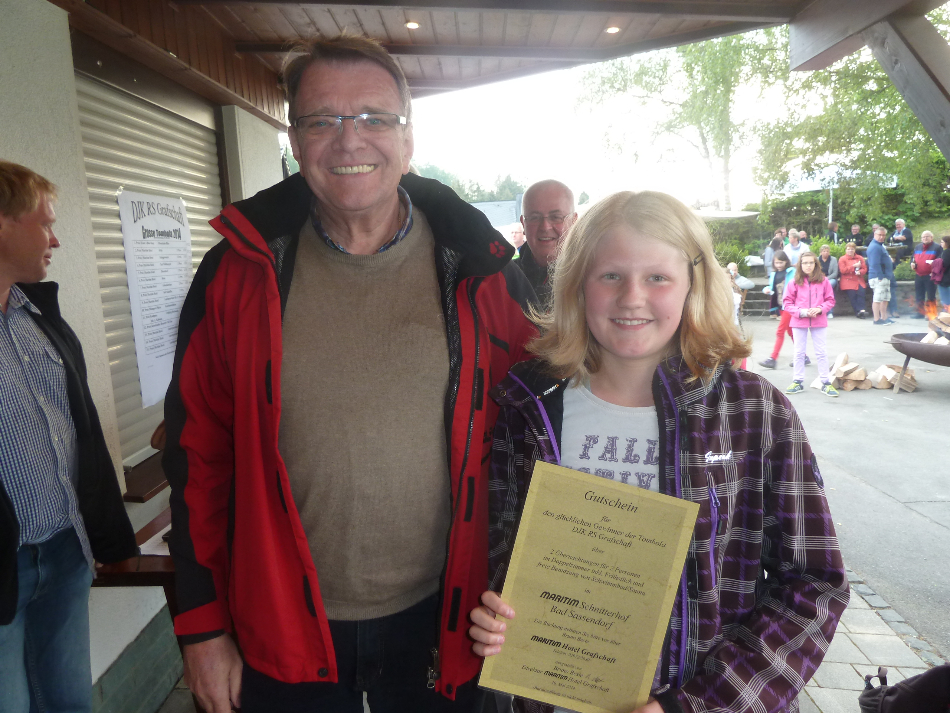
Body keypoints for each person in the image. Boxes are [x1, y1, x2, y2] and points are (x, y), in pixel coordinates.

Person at [163, 35, 537, 713]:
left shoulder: (481, 271)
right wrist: (201, 624)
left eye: (373, 118)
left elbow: (543, 432)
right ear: (295, 140)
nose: (349, 139)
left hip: (446, 616)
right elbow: (198, 457)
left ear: (408, 139)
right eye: (322, 120)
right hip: (276, 618)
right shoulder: (235, 273)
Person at [468, 190, 848, 713]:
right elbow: (503, 555)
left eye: (657, 278)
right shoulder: (527, 405)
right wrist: (495, 615)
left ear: (694, 284)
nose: (631, 298)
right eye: (610, 276)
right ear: (576, 284)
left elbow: (814, 584)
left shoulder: (754, 411)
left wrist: (698, 704)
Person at [0, 161, 137, 712]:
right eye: (45, 224)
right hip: (5, 567)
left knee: (69, 703)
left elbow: (84, 435)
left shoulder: (38, 318)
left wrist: (107, 537)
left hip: (64, 551)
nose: (55, 240)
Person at [515, 179, 577, 307]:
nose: (545, 227)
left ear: (574, 221)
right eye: (534, 218)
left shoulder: (591, 275)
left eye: (556, 217)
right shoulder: (505, 279)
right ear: (523, 224)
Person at [783, 251, 837, 397]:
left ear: (816, 264)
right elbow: (787, 303)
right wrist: (802, 312)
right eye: (805, 263)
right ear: (800, 265)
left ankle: (826, 382)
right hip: (799, 320)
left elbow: (830, 300)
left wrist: (820, 309)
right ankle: (797, 381)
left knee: (821, 352)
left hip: (819, 320)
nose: (808, 265)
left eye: (811, 263)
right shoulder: (794, 282)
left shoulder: (824, 281)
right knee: (799, 352)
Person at [758, 250, 807, 369]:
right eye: (776, 263)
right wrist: (766, 290)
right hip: (779, 305)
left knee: (780, 332)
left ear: (786, 262)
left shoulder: (792, 271)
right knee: (791, 332)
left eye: (781, 262)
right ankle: (804, 356)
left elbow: (799, 285)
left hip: (790, 306)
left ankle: (773, 359)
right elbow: (771, 287)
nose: (779, 265)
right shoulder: (774, 274)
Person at [867, 226, 896, 325]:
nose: (882, 237)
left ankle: (884, 318)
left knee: (885, 298)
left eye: (883, 235)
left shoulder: (880, 245)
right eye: (879, 235)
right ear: (875, 234)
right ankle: (876, 319)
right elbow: (874, 263)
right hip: (878, 277)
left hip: (885, 276)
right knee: (878, 299)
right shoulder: (874, 247)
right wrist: (880, 276)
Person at [911, 230, 942, 318]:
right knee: (919, 295)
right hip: (919, 275)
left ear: (931, 237)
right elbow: (913, 258)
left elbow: (940, 260)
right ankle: (920, 313)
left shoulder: (937, 247)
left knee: (931, 295)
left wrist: (934, 267)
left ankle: (931, 314)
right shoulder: (918, 247)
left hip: (930, 275)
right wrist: (912, 263)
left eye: (927, 236)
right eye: (923, 237)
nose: (925, 238)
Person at [838, 242, 869, 318]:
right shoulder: (842, 259)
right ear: (846, 250)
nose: (850, 251)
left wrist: (860, 272)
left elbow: (864, 268)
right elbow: (843, 270)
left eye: (852, 249)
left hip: (858, 280)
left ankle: (861, 310)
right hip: (848, 281)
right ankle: (858, 312)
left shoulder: (860, 258)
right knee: (852, 295)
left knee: (861, 293)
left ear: (855, 250)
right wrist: (853, 266)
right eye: (848, 249)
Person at [817, 244, 839, 318]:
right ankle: (821, 310)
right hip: (819, 279)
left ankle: (830, 312)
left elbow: (835, 273)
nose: (826, 253)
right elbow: (815, 272)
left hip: (830, 279)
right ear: (821, 252)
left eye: (827, 251)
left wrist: (826, 279)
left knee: (829, 286)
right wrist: (820, 278)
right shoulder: (817, 260)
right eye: (824, 251)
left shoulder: (833, 259)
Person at [932, 236, 950, 309]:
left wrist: (936, 263)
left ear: (947, 243)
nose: (940, 244)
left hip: (945, 280)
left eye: (942, 242)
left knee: (946, 301)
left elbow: (944, 265)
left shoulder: (947, 252)